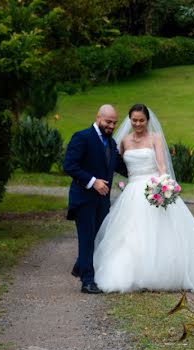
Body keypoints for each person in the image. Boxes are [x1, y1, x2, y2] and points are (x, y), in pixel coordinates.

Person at [92, 104, 194, 293]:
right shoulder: (124, 141)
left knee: (160, 233)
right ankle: (130, 273)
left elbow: (161, 165)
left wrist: (163, 184)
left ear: (147, 121)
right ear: (129, 120)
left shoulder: (155, 138)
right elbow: (115, 164)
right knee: (130, 234)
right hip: (132, 191)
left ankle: (163, 273)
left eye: (141, 120)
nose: (137, 124)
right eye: (134, 120)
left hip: (153, 189)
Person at [63, 105, 129, 294]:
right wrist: (93, 182)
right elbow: (69, 165)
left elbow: (118, 165)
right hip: (84, 198)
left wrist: (144, 173)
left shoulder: (111, 143)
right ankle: (88, 281)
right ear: (98, 117)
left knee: (100, 238)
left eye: (114, 123)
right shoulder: (82, 137)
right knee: (87, 239)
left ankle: (80, 266)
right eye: (108, 122)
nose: (111, 126)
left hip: (103, 200)